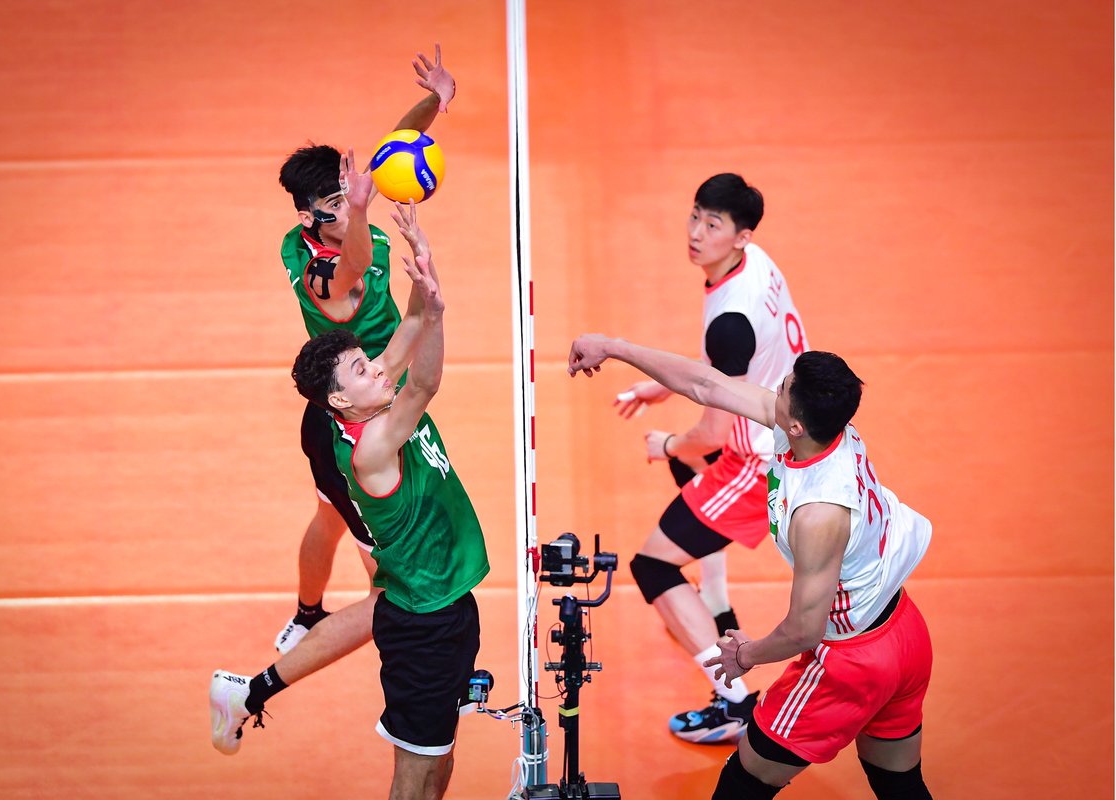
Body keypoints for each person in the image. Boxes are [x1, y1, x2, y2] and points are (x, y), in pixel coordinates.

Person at [567, 337, 934, 799]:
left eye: (783, 388)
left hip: (852, 660)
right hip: (904, 632)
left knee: (743, 783)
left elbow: (804, 630)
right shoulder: (822, 430)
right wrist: (612, 347)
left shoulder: (819, 513)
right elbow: (705, 384)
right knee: (899, 785)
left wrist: (745, 656)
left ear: (796, 424)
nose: (775, 388)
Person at [214, 236, 490, 800]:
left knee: (439, 760)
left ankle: (261, 680)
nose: (379, 369)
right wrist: (438, 317)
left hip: (447, 604)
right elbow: (424, 383)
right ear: (342, 401)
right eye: (364, 369)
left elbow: (410, 324)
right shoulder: (372, 448)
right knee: (414, 780)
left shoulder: (367, 397)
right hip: (423, 621)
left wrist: (425, 276)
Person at [273, 44, 456, 655]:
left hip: (372, 392)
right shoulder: (317, 267)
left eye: (345, 191)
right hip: (350, 416)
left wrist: (436, 101)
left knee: (328, 518)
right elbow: (354, 268)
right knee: (389, 572)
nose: (350, 200)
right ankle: (392, 650)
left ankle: (306, 614)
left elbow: (397, 145)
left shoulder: (343, 205)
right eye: (333, 203)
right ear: (308, 217)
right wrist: (355, 211)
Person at [612, 174, 808, 742]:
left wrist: (669, 443)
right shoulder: (752, 265)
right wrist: (662, 387)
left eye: (712, 224)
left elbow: (711, 429)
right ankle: (711, 602)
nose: (696, 232)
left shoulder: (730, 322)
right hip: (788, 417)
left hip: (761, 460)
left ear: (741, 236)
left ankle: (735, 705)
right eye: (695, 215)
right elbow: (727, 361)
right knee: (688, 475)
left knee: (652, 566)